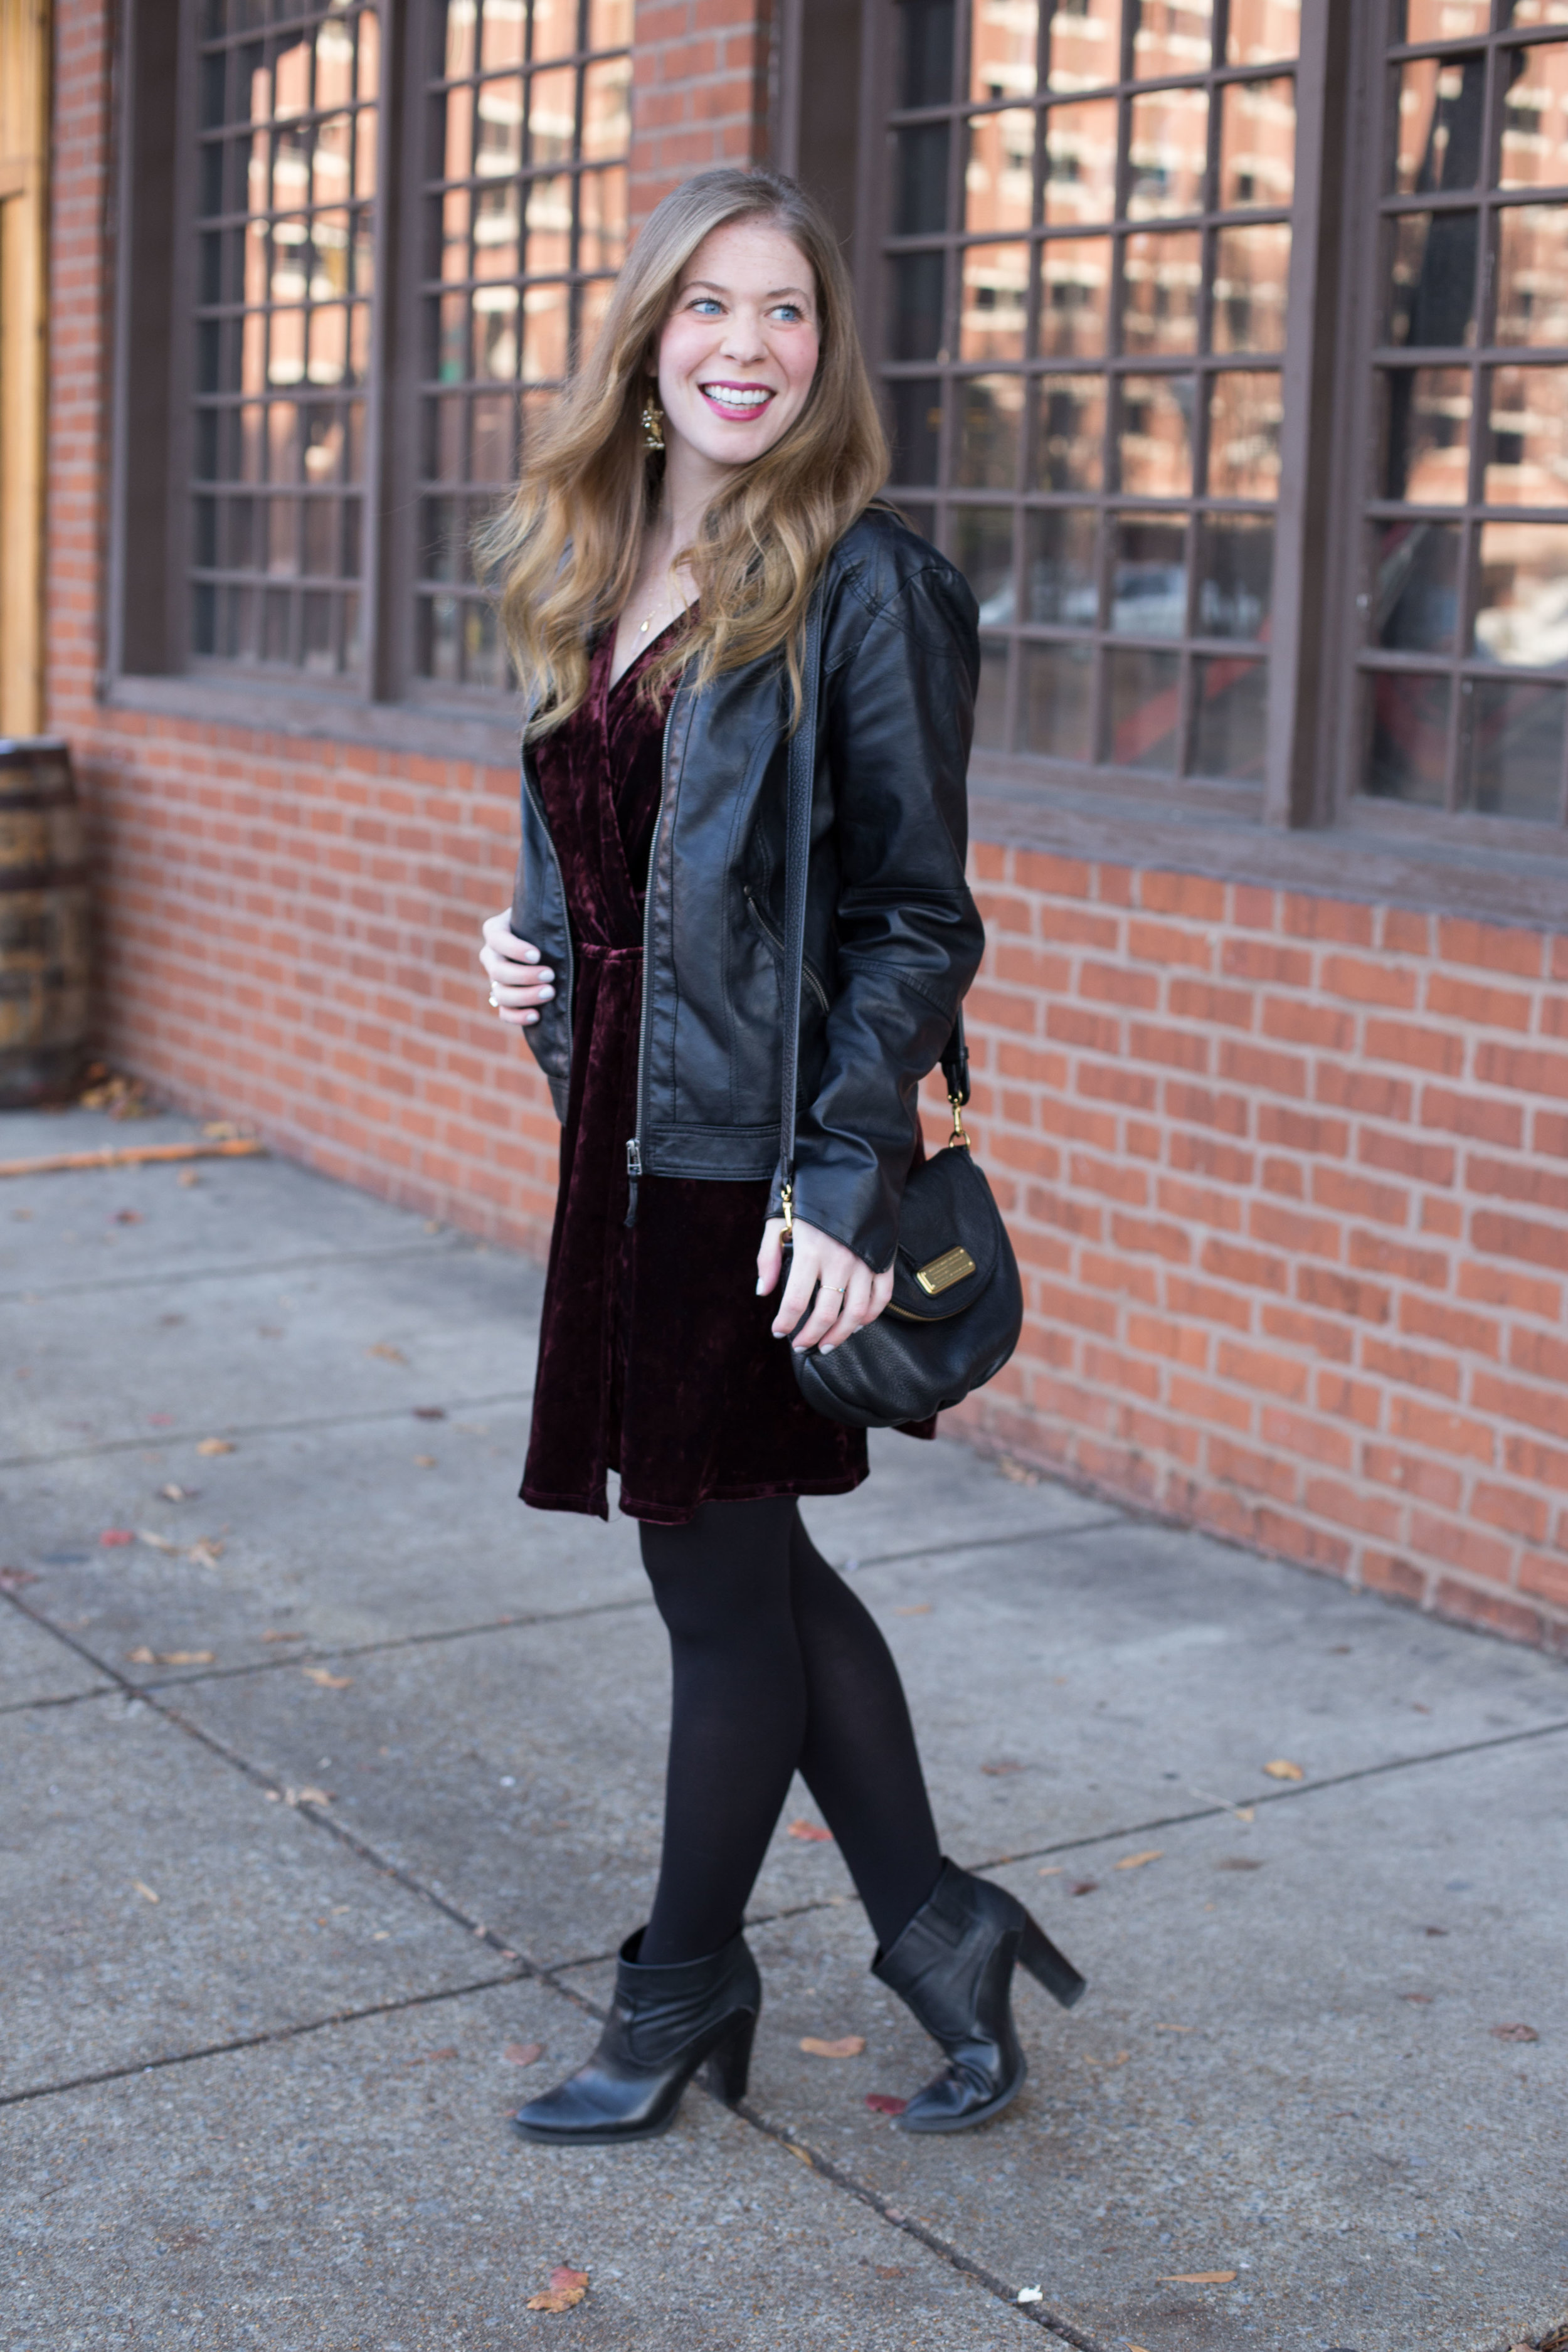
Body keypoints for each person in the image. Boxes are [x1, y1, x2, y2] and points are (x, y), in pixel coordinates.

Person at [477, 166, 1081, 2148]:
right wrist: (532, 955)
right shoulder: (591, 563)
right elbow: (610, 859)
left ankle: (676, 1989)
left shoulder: (864, 583)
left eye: (789, 313)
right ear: (649, 341)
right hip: (629, 1157)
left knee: (719, 1583)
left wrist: (836, 1179)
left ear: (822, 355)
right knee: (744, 1562)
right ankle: (935, 1924)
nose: (751, 345)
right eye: (713, 307)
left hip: (757, 1176)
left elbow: (914, 919)